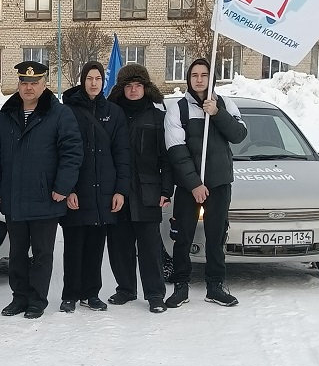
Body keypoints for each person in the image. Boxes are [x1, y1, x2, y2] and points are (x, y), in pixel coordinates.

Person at [0, 61, 82, 319]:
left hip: (46, 197)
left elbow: (72, 152)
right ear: (18, 84)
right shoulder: (6, 114)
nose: (29, 87)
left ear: (45, 85)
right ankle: (19, 298)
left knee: (42, 253)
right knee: (17, 253)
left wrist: (62, 187)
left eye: (34, 83)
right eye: (24, 82)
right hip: (14, 196)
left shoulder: (60, 114)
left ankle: (37, 300)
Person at [164, 57, 248, 308]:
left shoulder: (226, 104)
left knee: (216, 236)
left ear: (211, 79)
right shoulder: (178, 109)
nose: (199, 80)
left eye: (204, 75)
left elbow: (239, 135)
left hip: (220, 183)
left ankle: (215, 286)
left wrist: (217, 113)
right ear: (188, 79)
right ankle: (181, 286)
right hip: (190, 187)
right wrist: (194, 185)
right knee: (183, 236)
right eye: (194, 75)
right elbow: (176, 151)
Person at [59, 62, 130, 313]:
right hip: (77, 190)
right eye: (89, 78)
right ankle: (70, 294)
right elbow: (62, 153)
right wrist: (68, 189)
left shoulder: (114, 112)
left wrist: (120, 190)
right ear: (82, 80)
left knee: (95, 246)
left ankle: (91, 293)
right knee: (74, 245)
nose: (93, 83)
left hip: (105, 192)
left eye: (98, 78)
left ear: (103, 81)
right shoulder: (67, 111)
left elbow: (122, 154)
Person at [106, 63, 174, 313]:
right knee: (119, 245)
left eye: (138, 85)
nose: (133, 90)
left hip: (148, 193)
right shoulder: (112, 116)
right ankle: (125, 289)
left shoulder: (158, 118)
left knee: (150, 247)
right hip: (118, 193)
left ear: (146, 88)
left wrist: (167, 190)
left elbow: (166, 159)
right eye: (128, 86)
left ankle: (155, 293)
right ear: (121, 89)